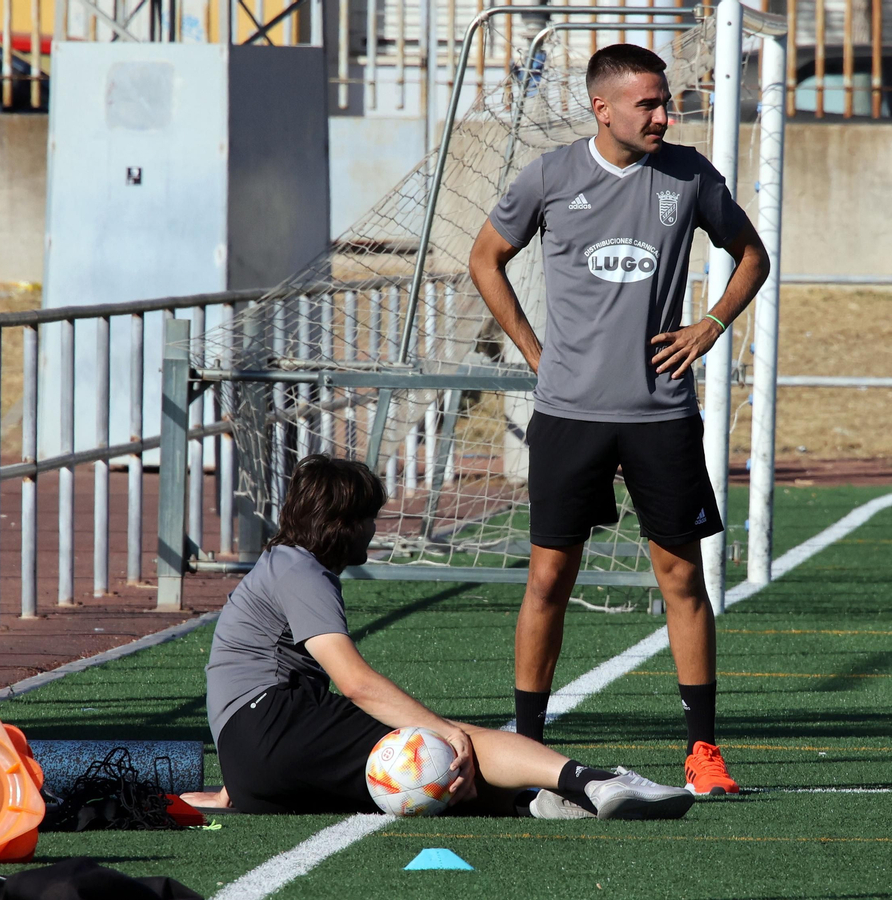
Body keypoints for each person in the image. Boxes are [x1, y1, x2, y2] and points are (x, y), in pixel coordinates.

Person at [467, 42, 771, 796]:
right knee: (547, 579)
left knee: (681, 577)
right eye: (648, 104)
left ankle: (703, 751)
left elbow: (752, 255)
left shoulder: (691, 176)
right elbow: (484, 257)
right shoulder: (551, 176)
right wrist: (536, 352)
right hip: (569, 414)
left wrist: (710, 325)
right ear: (603, 109)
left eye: (665, 102)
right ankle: (526, 751)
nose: (664, 115)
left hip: (660, 414)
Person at [180, 454, 692, 820]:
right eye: (368, 519)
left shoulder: (281, 564)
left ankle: (539, 803)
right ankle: (596, 781)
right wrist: (446, 731)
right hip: (273, 725)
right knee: (446, 743)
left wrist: (233, 785)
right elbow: (355, 682)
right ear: (340, 523)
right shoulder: (300, 569)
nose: (374, 530)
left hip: (252, 772)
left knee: (416, 779)